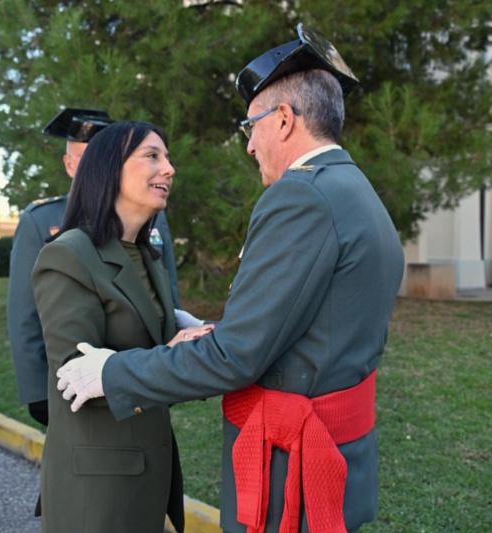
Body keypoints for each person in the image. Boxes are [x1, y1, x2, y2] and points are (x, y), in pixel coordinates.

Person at [55, 24, 405, 533]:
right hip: (336, 451)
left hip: (292, 473)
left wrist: (112, 374)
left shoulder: (300, 196)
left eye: (251, 127)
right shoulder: (353, 188)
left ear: (283, 119)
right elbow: (316, 324)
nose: (250, 146)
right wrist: (212, 325)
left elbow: (238, 358)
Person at [31, 121, 213, 533]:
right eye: (152, 156)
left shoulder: (147, 256)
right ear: (110, 168)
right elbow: (72, 376)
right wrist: (176, 353)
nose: (169, 168)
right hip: (98, 487)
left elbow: (156, 343)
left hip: (145, 469)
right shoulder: (68, 256)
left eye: (167, 157)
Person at [7, 107, 183, 427]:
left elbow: (164, 291)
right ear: (72, 164)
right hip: (91, 395)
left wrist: (174, 344)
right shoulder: (44, 221)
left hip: (144, 389)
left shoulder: (149, 219)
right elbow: (25, 313)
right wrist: (36, 390)